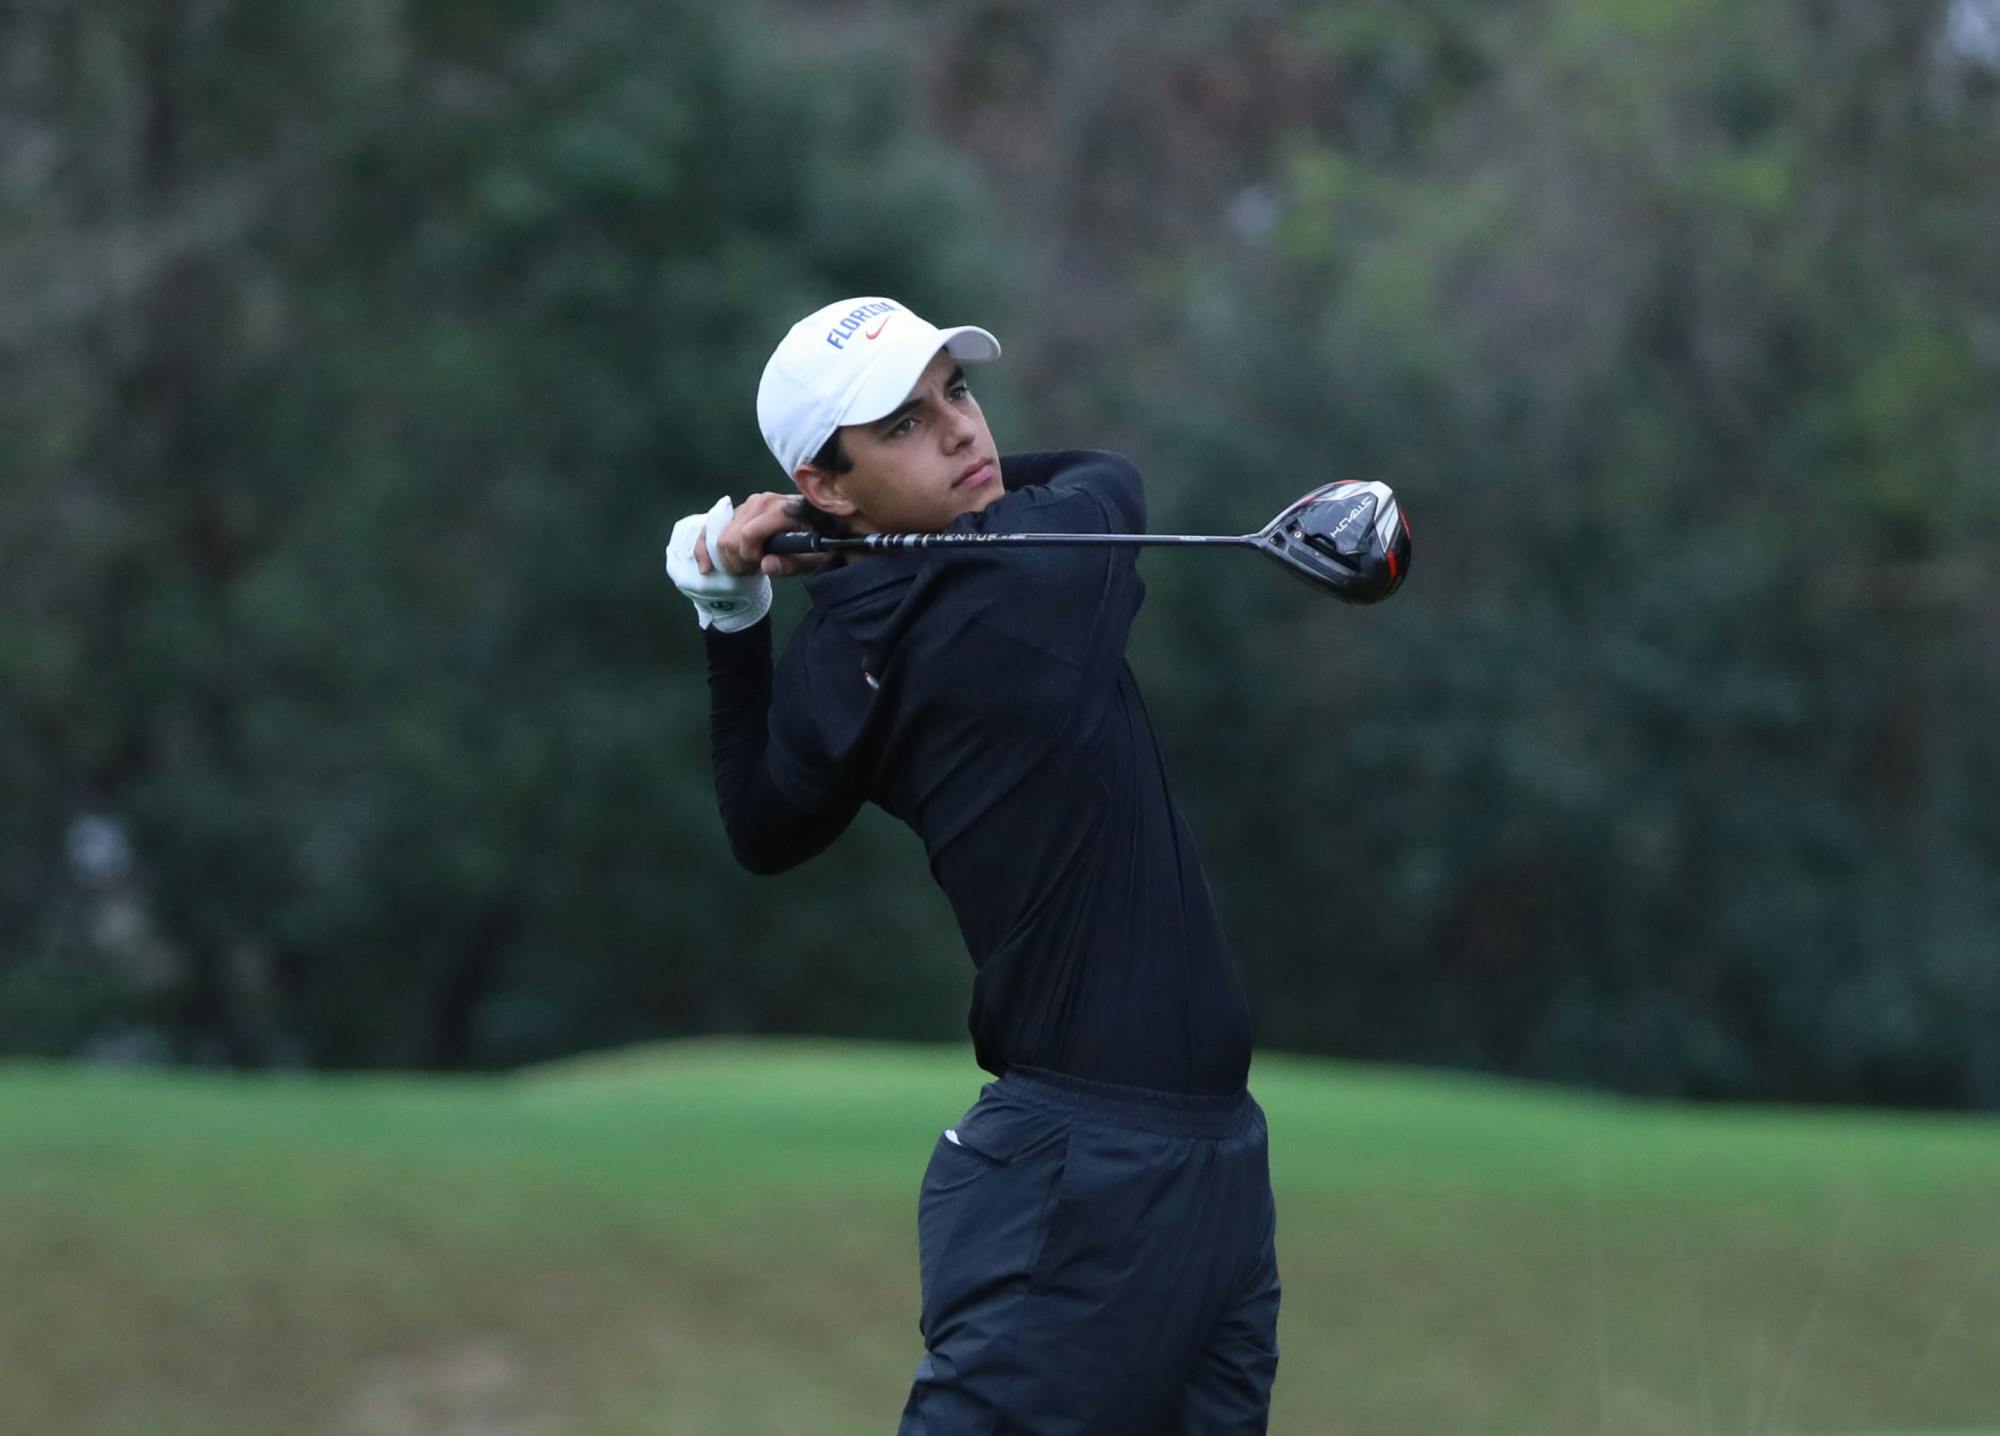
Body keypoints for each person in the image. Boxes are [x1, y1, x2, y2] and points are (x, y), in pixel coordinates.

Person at [664, 296, 1280, 1434]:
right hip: (1082, 1173)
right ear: (827, 479)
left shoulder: (848, 637)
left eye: (957, 393)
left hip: (1198, 1163)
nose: (961, 433)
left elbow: (762, 819)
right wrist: (843, 542)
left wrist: (730, 614)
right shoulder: (1019, 588)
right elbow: (1104, 474)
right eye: (901, 424)